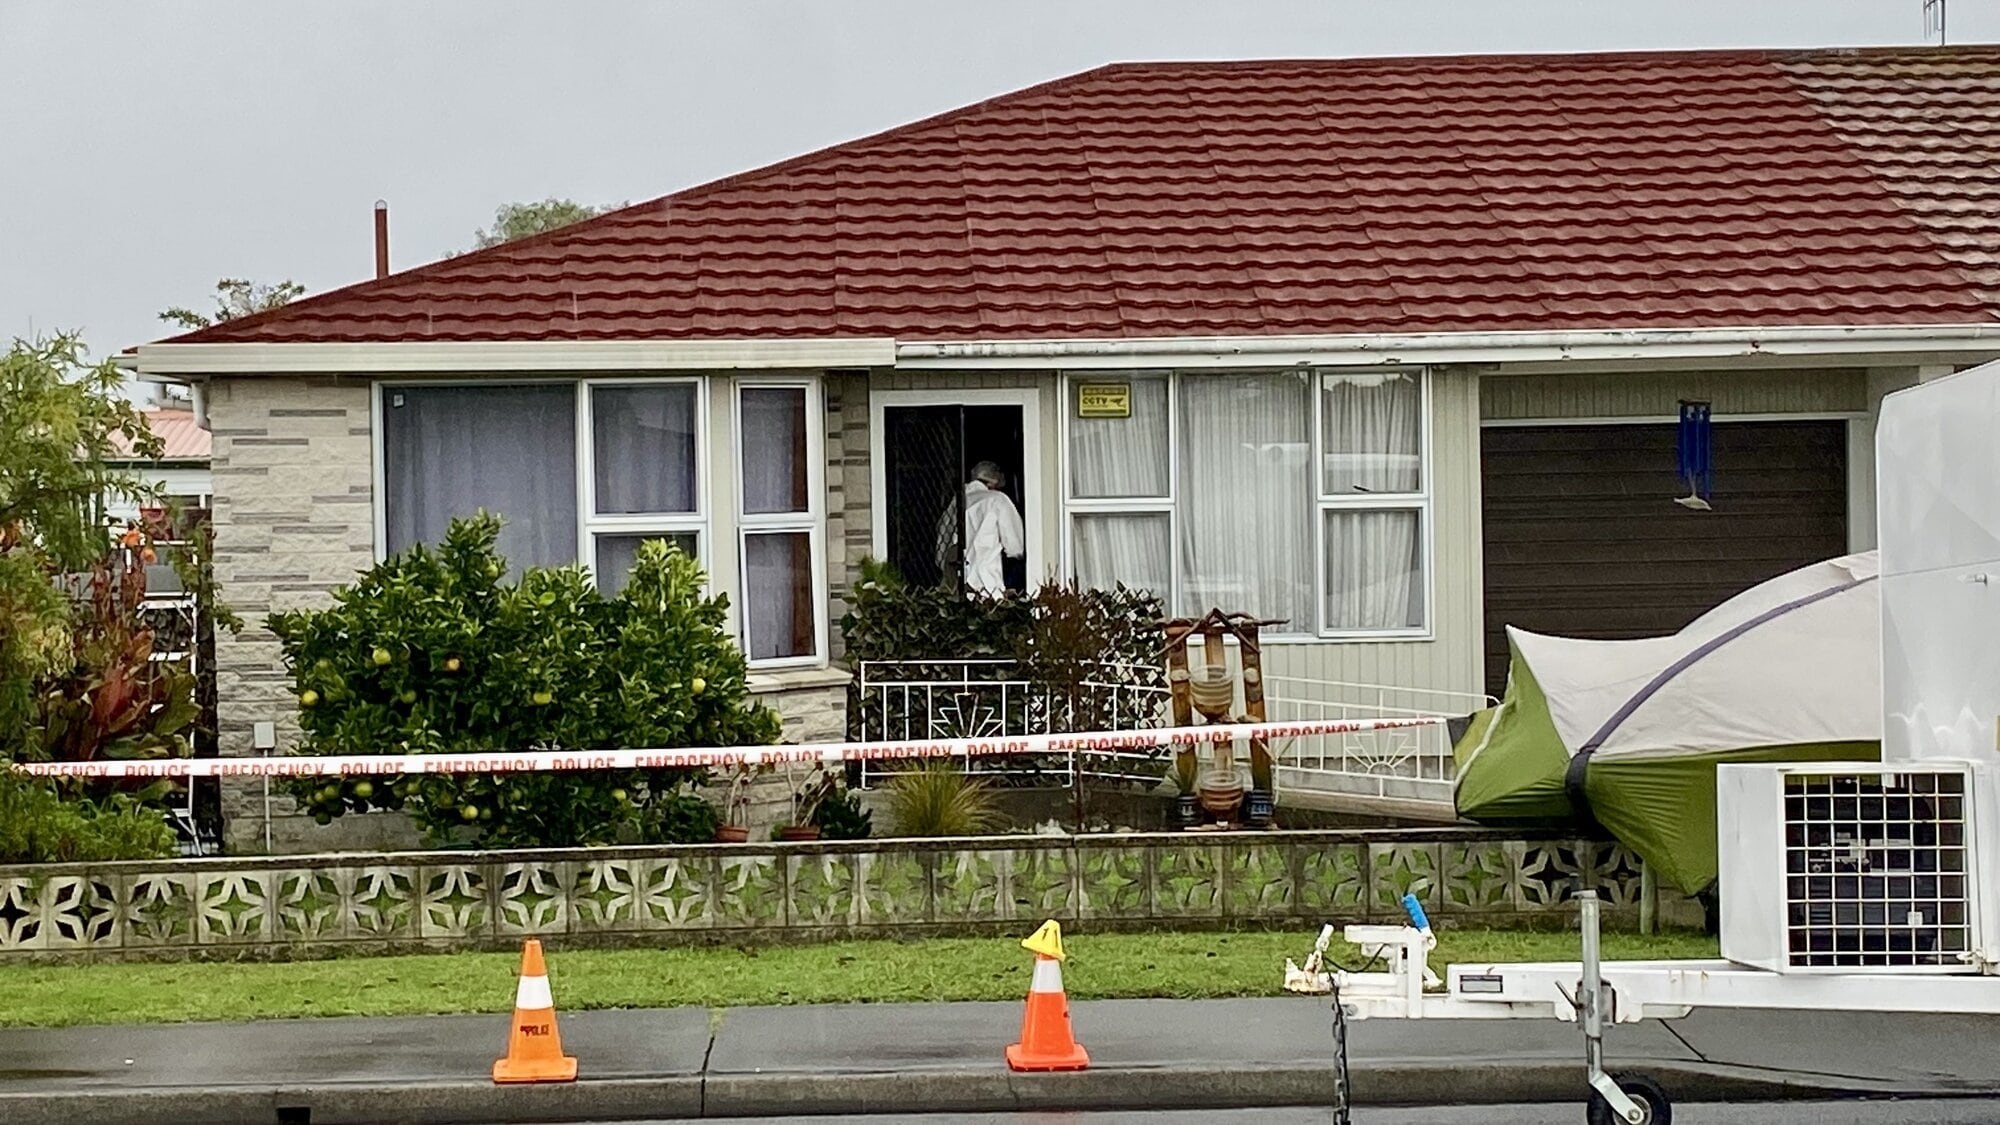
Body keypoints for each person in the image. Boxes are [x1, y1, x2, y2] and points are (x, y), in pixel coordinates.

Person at [935, 461, 1024, 597]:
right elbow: (1015, 548)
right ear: (994, 483)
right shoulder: (997, 499)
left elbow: (942, 543)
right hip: (985, 580)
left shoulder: (956, 501)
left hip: (954, 577)